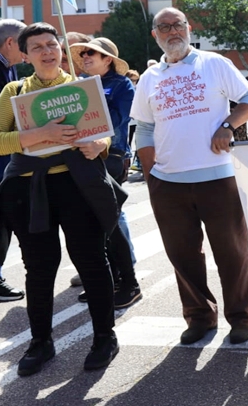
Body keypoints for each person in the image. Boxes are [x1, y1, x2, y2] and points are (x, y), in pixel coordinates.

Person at [0, 22, 123, 375]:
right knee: (39, 267)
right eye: (38, 47)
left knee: (92, 260)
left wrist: (100, 145)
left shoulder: (82, 87)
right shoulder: (14, 91)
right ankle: (40, 343)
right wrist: (37, 135)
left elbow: (103, 136)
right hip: (29, 191)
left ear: (61, 48)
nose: (47, 51)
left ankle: (104, 338)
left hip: (78, 188)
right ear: (24, 54)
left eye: (52, 44)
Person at [131, 7, 248, 345]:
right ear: (155, 35)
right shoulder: (149, 78)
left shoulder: (213, 63)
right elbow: (143, 127)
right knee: (183, 256)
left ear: (189, 28)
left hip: (218, 177)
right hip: (168, 183)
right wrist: (150, 174)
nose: (173, 31)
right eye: (164, 27)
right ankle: (200, 317)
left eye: (178, 25)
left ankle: (241, 318)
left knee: (232, 252)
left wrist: (227, 125)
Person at [71, 37, 142, 309]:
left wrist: (89, 101)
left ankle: (130, 282)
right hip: (81, 157)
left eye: (91, 53)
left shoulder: (122, 85)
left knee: (109, 219)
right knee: (92, 222)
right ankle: (108, 279)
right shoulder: (78, 84)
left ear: (107, 60)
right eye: (83, 53)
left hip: (111, 156)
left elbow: (117, 121)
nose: (85, 57)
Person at [0, 20, 25, 303]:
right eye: (26, 43)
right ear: (11, 43)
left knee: (0, 218)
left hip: (1, 155)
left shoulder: (7, 66)